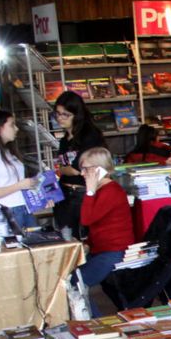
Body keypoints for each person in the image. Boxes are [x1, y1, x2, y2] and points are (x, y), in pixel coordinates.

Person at [74, 147, 136, 308]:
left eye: (86, 169)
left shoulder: (111, 192)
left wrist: (89, 191)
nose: (82, 174)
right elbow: (97, 224)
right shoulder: (104, 190)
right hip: (103, 250)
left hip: (114, 252)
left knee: (75, 284)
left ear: (100, 170)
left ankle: (92, 323)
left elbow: (86, 219)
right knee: (70, 276)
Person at [52, 90, 104, 235]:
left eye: (65, 115)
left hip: (82, 192)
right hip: (64, 194)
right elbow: (66, 166)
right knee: (65, 237)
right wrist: (63, 170)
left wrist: (60, 170)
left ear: (77, 115)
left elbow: (76, 169)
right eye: (57, 113)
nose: (60, 118)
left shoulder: (89, 135)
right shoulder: (64, 140)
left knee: (84, 237)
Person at [0, 110, 37, 230]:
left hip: (24, 207)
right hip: (6, 211)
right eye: (11, 125)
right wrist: (19, 185)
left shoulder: (9, 152)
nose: (16, 129)